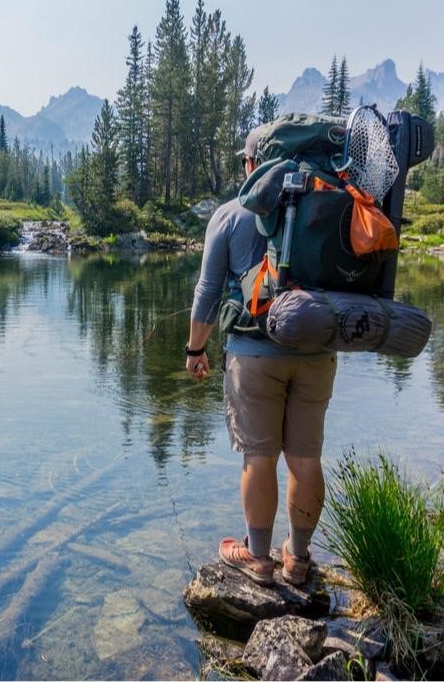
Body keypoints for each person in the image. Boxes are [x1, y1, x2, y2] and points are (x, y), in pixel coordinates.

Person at [185, 125, 337, 586]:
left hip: (254, 354)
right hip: (317, 351)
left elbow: (208, 291)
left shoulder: (230, 215)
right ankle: (298, 558)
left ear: (252, 164)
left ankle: (257, 558)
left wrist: (196, 348)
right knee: (306, 458)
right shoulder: (325, 207)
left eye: (244, 161)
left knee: (259, 456)